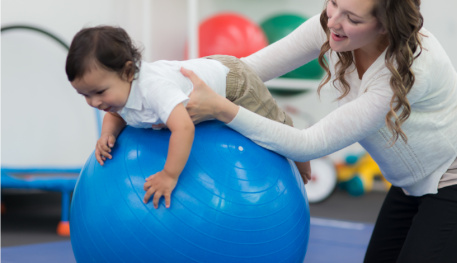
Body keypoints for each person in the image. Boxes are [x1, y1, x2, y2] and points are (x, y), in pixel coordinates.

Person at [177, 0, 457, 263]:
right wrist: (153, 86)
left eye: (353, 18)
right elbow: (245, 70)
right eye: (333, 2)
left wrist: (222, 109)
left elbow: (309, 144)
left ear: (385, 26)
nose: (332, 21)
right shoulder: (329, 26)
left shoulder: (406, 71)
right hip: (409, 182)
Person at [65, 26, 310, 210]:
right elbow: (117, 113)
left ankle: (299, 151)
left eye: (99, 92)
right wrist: (107, 134)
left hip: (232, 80)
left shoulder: (154, 89)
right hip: (204, 70)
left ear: (128, 72)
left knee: (269, 120)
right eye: (84, 95)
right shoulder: (117, 92)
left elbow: (183, 128)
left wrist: (169, 175)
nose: (95, 103)